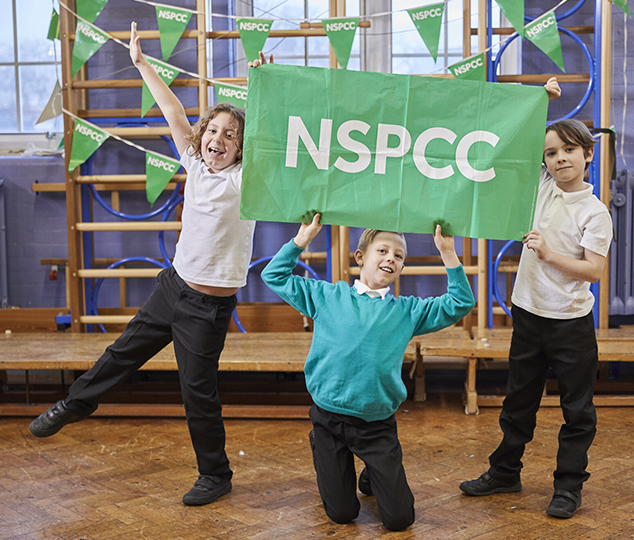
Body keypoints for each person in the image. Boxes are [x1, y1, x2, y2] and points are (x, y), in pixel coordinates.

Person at [28, 23, 268, 507]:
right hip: (172, 288)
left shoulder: (249, 179)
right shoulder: (195, 163)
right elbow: (173, 110)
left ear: (242, 147)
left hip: (207, 307)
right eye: (214, 130)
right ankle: (73, 405)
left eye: (230, 134)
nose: (218, 138)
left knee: (197, 393)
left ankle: (215, 475)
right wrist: (141, 63)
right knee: (120, 355)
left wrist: (263, 88)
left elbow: (271, 132)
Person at [261, 215, 475, 531]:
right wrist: (301, 241)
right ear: (361, 257)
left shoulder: (408, 311)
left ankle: (372, 470)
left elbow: (461, 302)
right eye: (383, 251)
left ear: (402, 267)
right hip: (329, 420)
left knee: (400, 520)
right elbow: (274, 275)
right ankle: (324, 448)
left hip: (376, 427)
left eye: (399, 256)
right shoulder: (327, 296)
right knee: (342, 514)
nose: (391, 258)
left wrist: (448, 253)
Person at [459, 117, 612, 519]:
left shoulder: (595, 213)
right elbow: (518, 137)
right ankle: (504, 472)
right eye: (551, 153)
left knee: (577, 410)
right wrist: (541, 99)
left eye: (569, 150)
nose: (560, 158)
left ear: (587, 155)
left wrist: (548, 255)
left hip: (570, 323)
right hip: (528, 315)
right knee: (518, 402)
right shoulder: (542, 187)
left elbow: (593, 270)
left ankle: (568, 486)